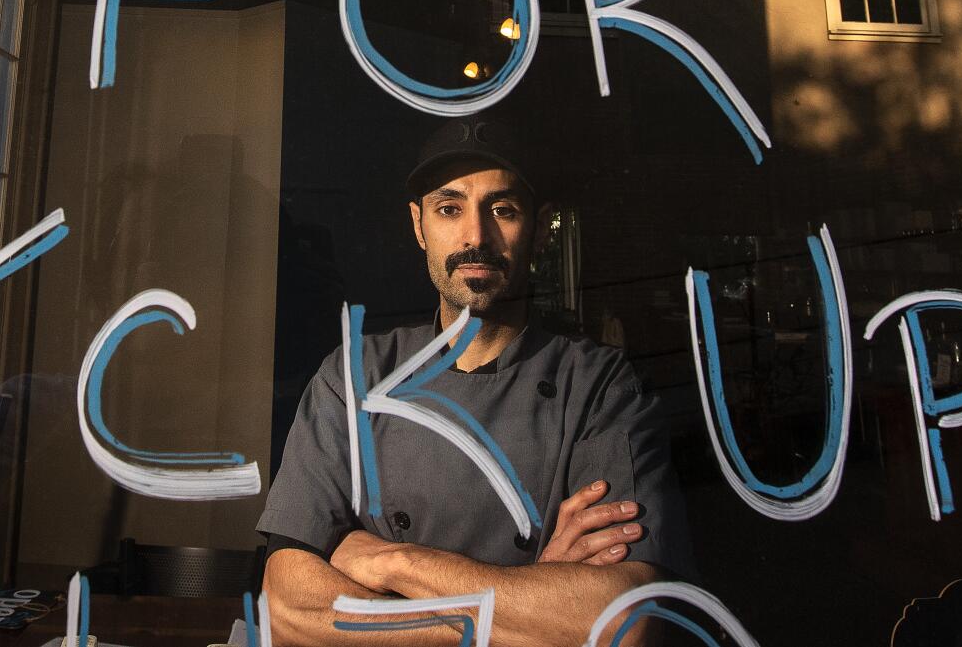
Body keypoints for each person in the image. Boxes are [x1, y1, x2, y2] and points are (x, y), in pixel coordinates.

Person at [257, 119, 692, 647]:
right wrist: (530, 601)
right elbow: (287, 609)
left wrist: (390, 560)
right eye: (449, 208)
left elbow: (621, 624)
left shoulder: (601, 389)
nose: (475, 237)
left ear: (540, 227)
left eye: (503, 210)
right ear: (419, 226)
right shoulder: (351, 377)